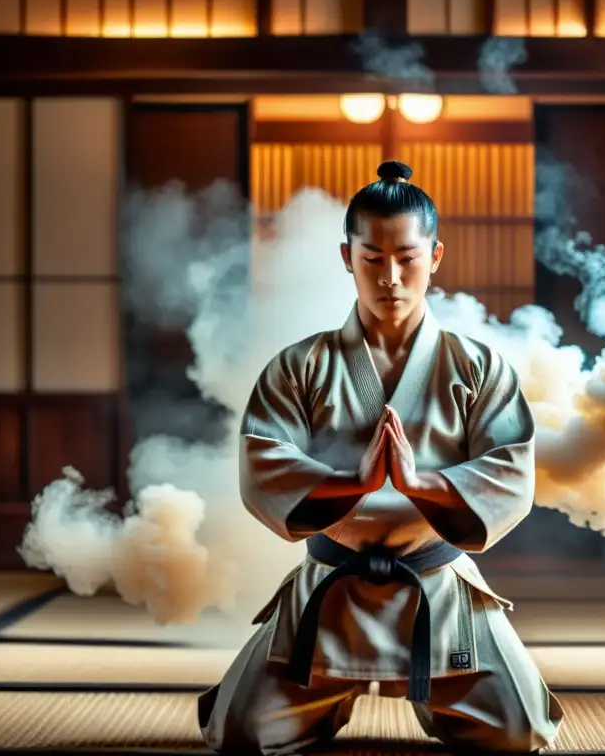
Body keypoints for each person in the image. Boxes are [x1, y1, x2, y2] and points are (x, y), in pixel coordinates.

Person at [198, 160, 563, 755]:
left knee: (519, 736)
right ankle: (330, 693)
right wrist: (353, 482)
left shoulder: (476, 367)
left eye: (407, 258)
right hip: (332, 587)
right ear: (347, 257)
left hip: (437, 585)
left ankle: (434, 697)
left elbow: (510, 471)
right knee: (242, 737)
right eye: (372, 258)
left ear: (436, 256)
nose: (390, 276)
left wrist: (423, 486)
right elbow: (263, 462)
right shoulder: (301, 366)